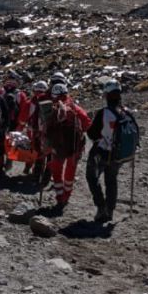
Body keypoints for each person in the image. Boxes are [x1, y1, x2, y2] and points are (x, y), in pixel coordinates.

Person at [86, 79, 139, 223]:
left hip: (102, 152)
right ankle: (110, 211)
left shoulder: (104, 113)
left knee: (92, 177)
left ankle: (101, 206)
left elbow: (92, 133)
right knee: (111, 180)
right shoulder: (127, 112)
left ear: (107, 95)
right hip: (119, 155)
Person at [45, 82, 91, 212]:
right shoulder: (75, 108)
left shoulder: (51, 109)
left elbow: (45, 129)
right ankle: (66, 196)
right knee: (70, 172)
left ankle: (59, 196)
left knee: (57, 170)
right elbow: (87, 124)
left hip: (57, 147)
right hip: (74, 147)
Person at [19, 80, 51, 177]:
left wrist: (20, 128)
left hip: (32, 131)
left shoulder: (30, 102)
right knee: (47, 151)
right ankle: (46, 173)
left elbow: (22, 119)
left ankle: (30, 168)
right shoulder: (50, 102)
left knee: (33, 149)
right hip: (47, 131)